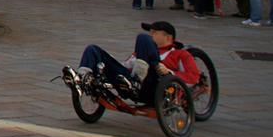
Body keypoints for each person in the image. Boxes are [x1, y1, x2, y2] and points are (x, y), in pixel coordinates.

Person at [63, 20, 198, 103]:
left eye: (154, 33)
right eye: (150, 32)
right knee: (92, 49)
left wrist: (169, 72)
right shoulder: (141, 50)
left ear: (168, 37)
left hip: (154, 84)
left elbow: (193, 77)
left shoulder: (180, 53)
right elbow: (125, 65)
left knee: (142, 38)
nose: (151, 35)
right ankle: (81, 80)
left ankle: (136, 81)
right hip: (128, 81)